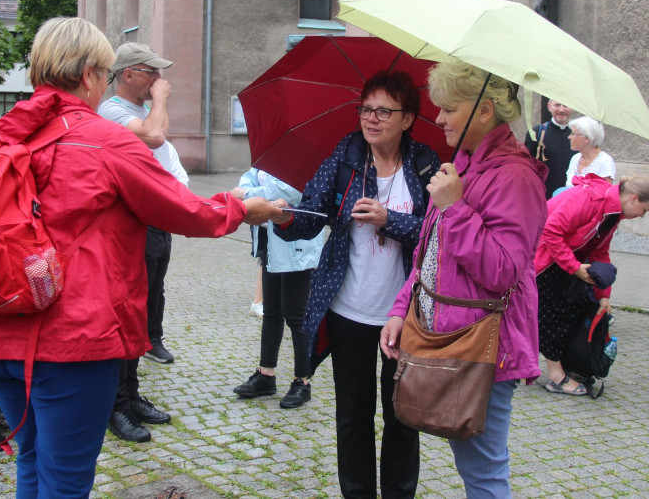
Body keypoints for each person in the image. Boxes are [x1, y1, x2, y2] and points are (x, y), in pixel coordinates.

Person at [0, 17, 281, 498]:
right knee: (66, 479)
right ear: (90, 73)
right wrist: (243, 208)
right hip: (69, 341)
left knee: (31, 459)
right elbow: (183, 209)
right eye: (105, 73)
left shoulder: (2, 134)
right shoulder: (104, 140)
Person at [380, 61, 547, 498]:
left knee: (483, 471)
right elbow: (428, 254)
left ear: (485, 110)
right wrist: (402, 311)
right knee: (474, 466)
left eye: (449, 109)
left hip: (484, 347)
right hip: (453, 339)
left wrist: (454, 207)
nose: (438, 118)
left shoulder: (516, 177)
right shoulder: (464, 165)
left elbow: (502, 270)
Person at [275, 70, 440, 498]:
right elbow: (308, 218)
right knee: (353, 416)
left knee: (402, 415)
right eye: (366, 109)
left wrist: (392, 220)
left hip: (405, 316)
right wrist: (281, 216)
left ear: (407, 119)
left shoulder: (426, 165)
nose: (371, 118)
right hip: (348, 310)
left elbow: (441, 234)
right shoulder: (347, 156)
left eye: (384, 110)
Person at [97, 41, 182, 444]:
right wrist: (160, 101)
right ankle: (115, 405)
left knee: (144, 310)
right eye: (152, 73)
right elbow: (154, 136)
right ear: (127, 75)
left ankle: (130, 396)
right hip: (131, 224)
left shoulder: (134, 111)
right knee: (126, 314)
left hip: (152, 220)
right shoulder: (113, 110)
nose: (159, 80)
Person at [534, 174, 649, 395]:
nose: (642, 215)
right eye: (645, 210)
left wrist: (604, 294)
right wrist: (574, 267)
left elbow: (600, 251)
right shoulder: (590, 199)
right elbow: (551, 231)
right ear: (633, 199)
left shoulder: (613, 212)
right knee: (553, 316)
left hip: (565, 260)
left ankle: (560, 367)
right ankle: (555, 377)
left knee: (573, 309)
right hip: (545, 259)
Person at [230, 169, 326, 408]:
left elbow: (288, 188)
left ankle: (302, 381)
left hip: (296, 241)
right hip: (267, 237)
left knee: (297, 314)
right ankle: (266, 374)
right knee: (271, 310)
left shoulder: (304, 154)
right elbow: (248, 178)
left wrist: (248, 194)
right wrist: (250, 193)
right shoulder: (270, 155)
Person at [524, 99, 577, 198]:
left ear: (572, 107)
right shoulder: (536, 133)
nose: (561, 110)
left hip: (573, 197)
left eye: (566, 105)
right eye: (557, 105)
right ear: (549, 107)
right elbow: (527, 166)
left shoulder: (580, 135)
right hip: (544, 196)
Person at [564, 116, 616, 186]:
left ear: (587, 138)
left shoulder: (605, 161)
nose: (569, 137)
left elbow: (607, 193)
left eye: (573, 134)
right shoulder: (575, 158)